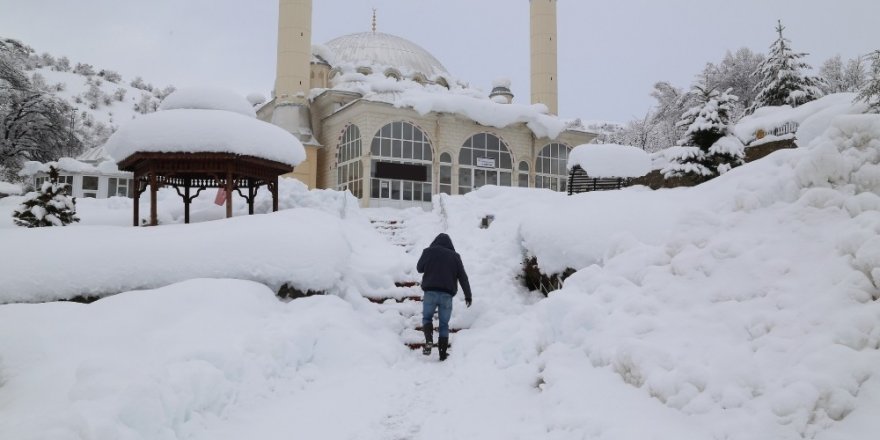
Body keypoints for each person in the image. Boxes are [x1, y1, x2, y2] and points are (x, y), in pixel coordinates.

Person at [417, 233, 473, 361]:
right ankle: (442, 354)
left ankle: (429, 339)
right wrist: (468, 295)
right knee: (444, 324)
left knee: (427, 318)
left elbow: (419, 268)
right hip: (447, 295)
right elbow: (463, 278)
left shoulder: (428, 252)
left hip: (430, 292)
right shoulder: (455, 257)